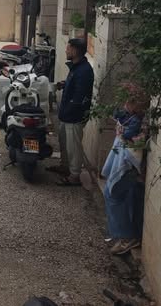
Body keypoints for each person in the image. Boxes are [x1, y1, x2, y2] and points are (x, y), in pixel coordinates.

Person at [101, 84, 149, 255]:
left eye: (127, 102)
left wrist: (123, 132)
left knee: (112, 193)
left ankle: (126, 237)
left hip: (129, 165)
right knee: (130, 197)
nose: (124, 105)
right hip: (132, 165)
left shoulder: (137, 120)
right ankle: (127, 234)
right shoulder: (134, 116)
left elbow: (129, 135)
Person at [53, 38, 94, 186]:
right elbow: (75, 86)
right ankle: (65, 167)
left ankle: (74, 176)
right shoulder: (76, 67)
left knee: (73, 147)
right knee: (64, 142)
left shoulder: (84, 71)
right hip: (66, 115)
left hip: (74, 116)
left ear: (75, 51)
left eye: (68, 48)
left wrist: (69, 110)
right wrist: (64, 84)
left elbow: (79, 96)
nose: (66, 50)